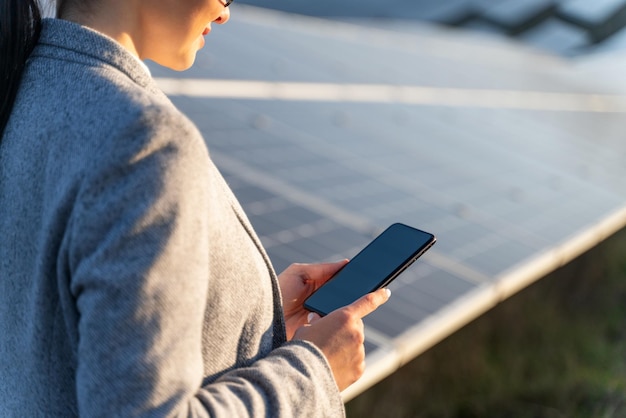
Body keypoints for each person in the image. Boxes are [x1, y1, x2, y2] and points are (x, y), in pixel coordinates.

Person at [0, 0, 391, 416]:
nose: (225, 13)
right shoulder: (144, 140)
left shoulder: (26, 89)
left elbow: (53, 334)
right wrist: (314, 369)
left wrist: (246, 316)